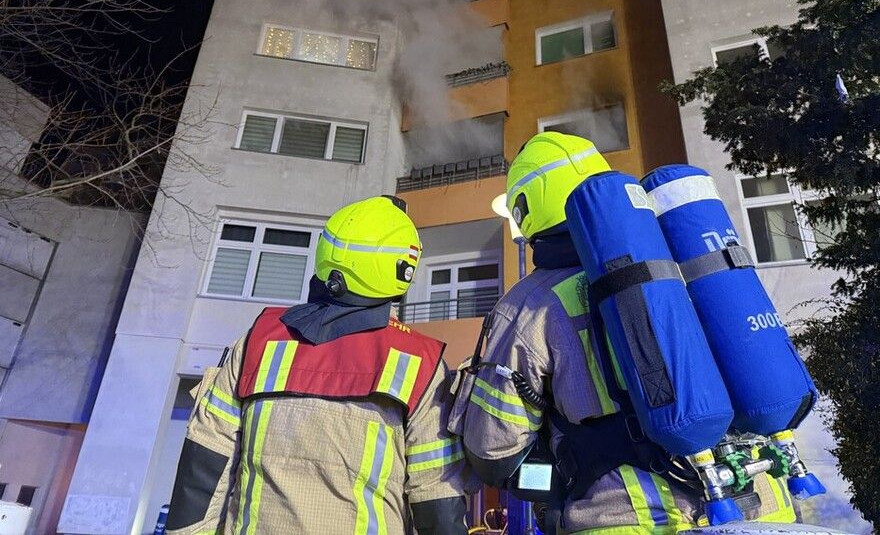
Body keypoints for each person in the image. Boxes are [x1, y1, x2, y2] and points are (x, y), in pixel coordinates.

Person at [451, 132, 796, 534]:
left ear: (525, 208)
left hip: (630, 520)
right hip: (766, 511)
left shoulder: (526, 306)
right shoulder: (683, 261)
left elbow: (493, 449)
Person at [166, 195, 475, 534]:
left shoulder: (259, 342)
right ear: (403, 271)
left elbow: (203, 472)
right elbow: (436, 499)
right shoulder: (419, 364)